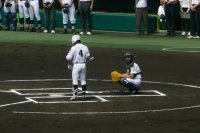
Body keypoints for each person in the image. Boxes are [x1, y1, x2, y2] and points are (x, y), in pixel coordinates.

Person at [66, 35, 92, 101]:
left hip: (76, 66)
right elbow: (88, 57)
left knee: (75, 81)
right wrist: (89, 59)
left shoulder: (73, 48)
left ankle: (75, 96)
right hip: (83, 65)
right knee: (83, 81)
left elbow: (68, 57)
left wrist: (69, 63)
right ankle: (83, 95)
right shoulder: (85, 47)